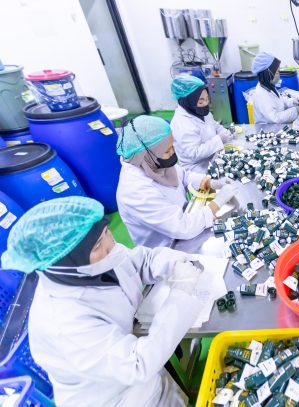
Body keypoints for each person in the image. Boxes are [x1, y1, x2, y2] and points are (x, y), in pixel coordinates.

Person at [1, 197, 205, 406]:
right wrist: (181, 293)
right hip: (118, 398)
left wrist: (173, 263)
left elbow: (139, 261)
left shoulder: (91, 262)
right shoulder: (63, 322)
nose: (111, 244)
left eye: (106, 231)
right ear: (65, 263)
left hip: (144, 369)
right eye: (98, 244)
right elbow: (137, 364)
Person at [116, 115, 238, 248]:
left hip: (186, 219)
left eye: (172, 147)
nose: (172, 153)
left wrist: (209, 182)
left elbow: (183, 175)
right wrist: (217, 203)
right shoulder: (135, 191)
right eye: (167, 151)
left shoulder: (152, 163)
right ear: (145, 155)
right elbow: (182, 227)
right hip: (167, 247)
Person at [169, 75, 234, 170]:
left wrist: (223, 131)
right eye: (200, 102)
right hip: (197, 168)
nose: (205, 104)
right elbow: (194, 154)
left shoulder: (198, 111)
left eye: (207, 99)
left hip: (213, 156)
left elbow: (213, 124)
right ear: (187, 101)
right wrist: (219, 140)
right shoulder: (182, 124)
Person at [250, 52, 299, 124]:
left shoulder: (269, 86)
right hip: (267, 129)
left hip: (276, 128)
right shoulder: (261, 94)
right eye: (277, 72)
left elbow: (279, 102)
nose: (279, 75)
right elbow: (275, 118)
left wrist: (293, 102)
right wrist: (296, 111)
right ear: (267, 73)